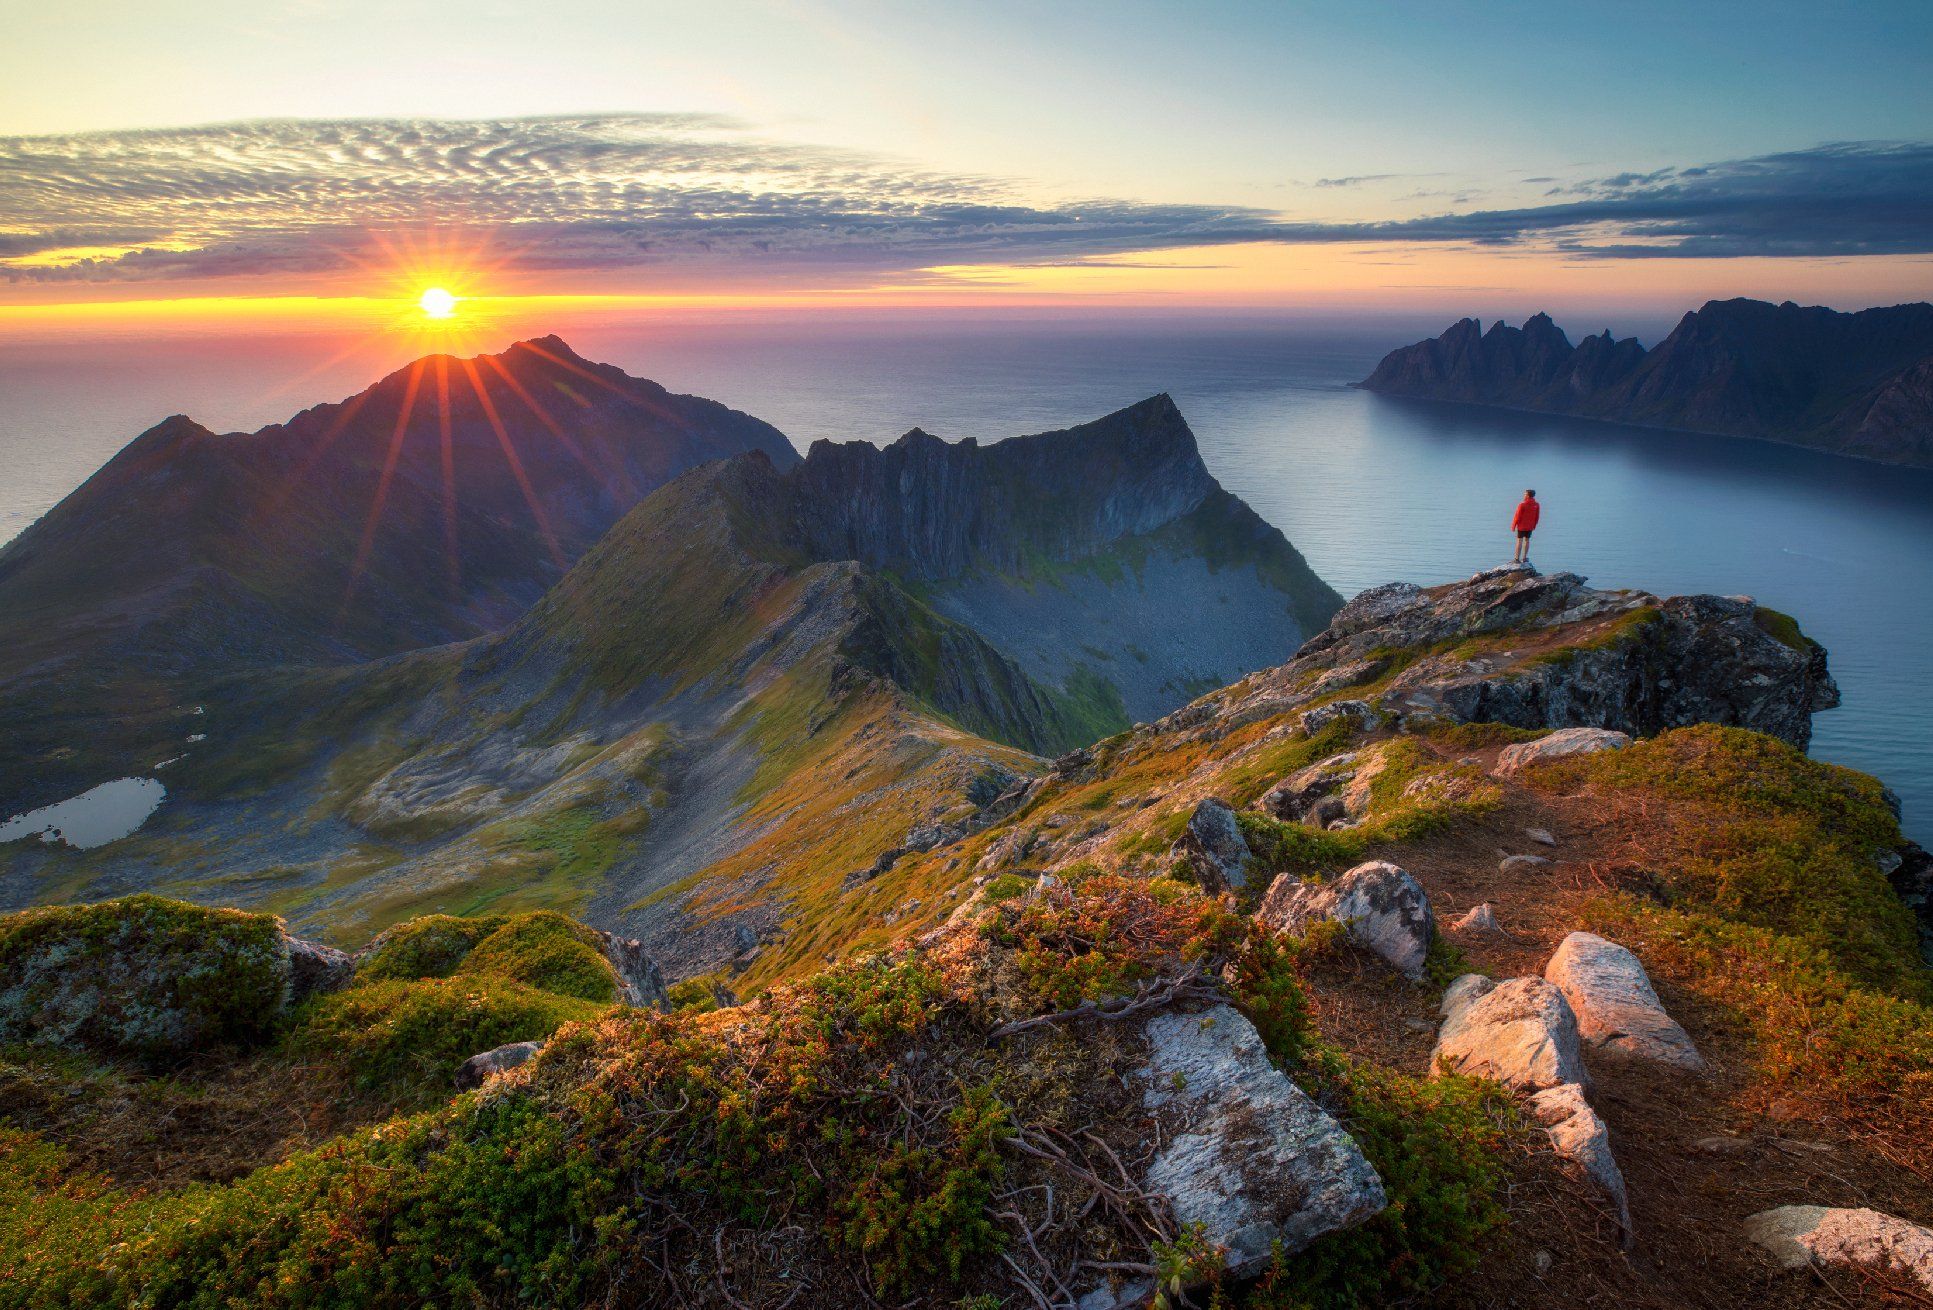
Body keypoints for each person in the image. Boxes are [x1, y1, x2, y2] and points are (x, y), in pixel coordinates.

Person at [1511, 489, 1540, 564]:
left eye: (1525, 494)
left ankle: (1517, 559)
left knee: (1519, 541)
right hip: (1530, 526)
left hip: (1521, 526)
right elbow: (1537, 516)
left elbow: (1517, 516)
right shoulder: (1536, 504)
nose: (1524, 495)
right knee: (1527, 540)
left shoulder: (1522, 504)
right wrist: (1534, 525)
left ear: (1527, 495)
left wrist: (1513, 526)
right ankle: (1524, 558)